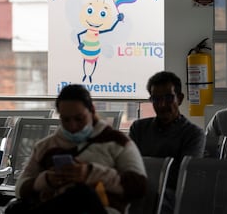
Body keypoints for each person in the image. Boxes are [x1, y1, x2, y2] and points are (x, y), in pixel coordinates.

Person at [13, 84, 147, 214]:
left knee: (81, 193)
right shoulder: (45, 146)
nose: (73, 126)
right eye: (66, 120)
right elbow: (20, 188)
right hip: (54, 205)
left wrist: (90, 173)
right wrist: (47, 180)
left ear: (92, 111)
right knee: (16, 207)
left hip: (101, 207)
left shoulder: (117, 142)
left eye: (79, 119)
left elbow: (139, 186)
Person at [129, 71, 205, 214]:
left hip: (171, 197)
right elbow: (128, 165)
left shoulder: (194, 134)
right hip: (138, 193)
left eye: (168, 98)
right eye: (156, 99)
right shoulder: (138, 128)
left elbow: (184, 176)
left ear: (180, 98)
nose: (162, 104)